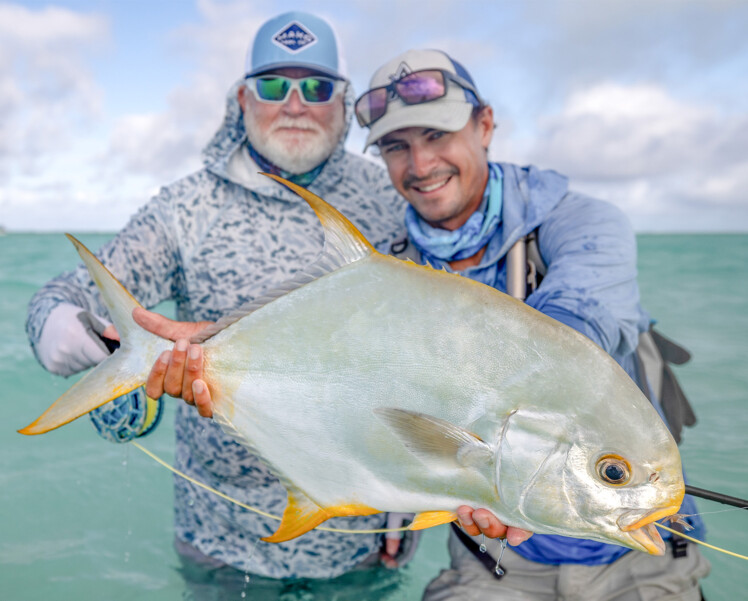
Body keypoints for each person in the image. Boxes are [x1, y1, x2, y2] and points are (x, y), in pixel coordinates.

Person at [25, 11, 413, 592]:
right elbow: (60, 296)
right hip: (221, 547)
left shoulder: (393, 195)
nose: (295, 103)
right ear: (242, 98)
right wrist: (106, 348)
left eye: (317, 86)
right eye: (274, 85)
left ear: (344, 100)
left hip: (361, 550)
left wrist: (416, 496)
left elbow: (440, 345)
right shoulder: (184, 207)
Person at [354, 48, 711, 601]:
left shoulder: (583, 223)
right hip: (491, 556)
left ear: (486, 124)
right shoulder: (388, 267)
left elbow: (573, 332)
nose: (420, 166)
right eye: (396, 147)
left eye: (437, 136)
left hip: (637, 550)